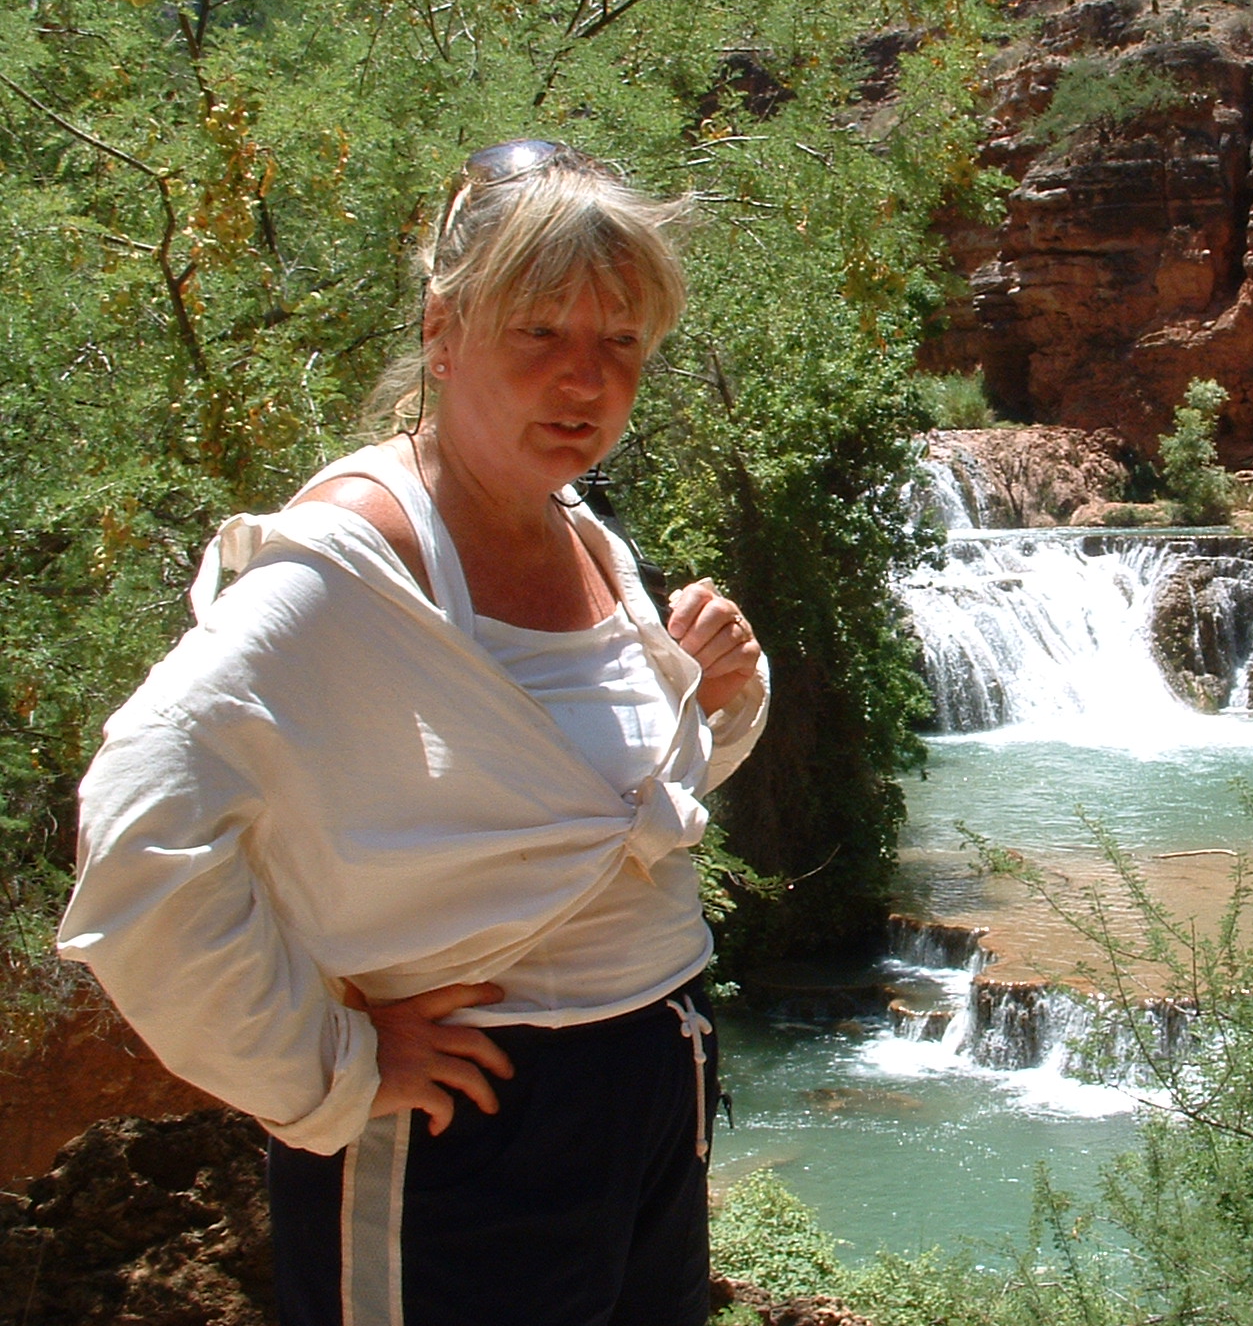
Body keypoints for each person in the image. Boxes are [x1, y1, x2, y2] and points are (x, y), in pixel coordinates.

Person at [56, 140, 769, 1326]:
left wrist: (709, 693)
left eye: (619, 341)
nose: (585, 379)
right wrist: (326, 1068)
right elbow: (142, 811)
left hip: (653, 1084)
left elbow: (603, 818)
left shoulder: (578, 532)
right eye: (539, 331)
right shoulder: (354, 559)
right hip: (466, 1127)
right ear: (444, 330)